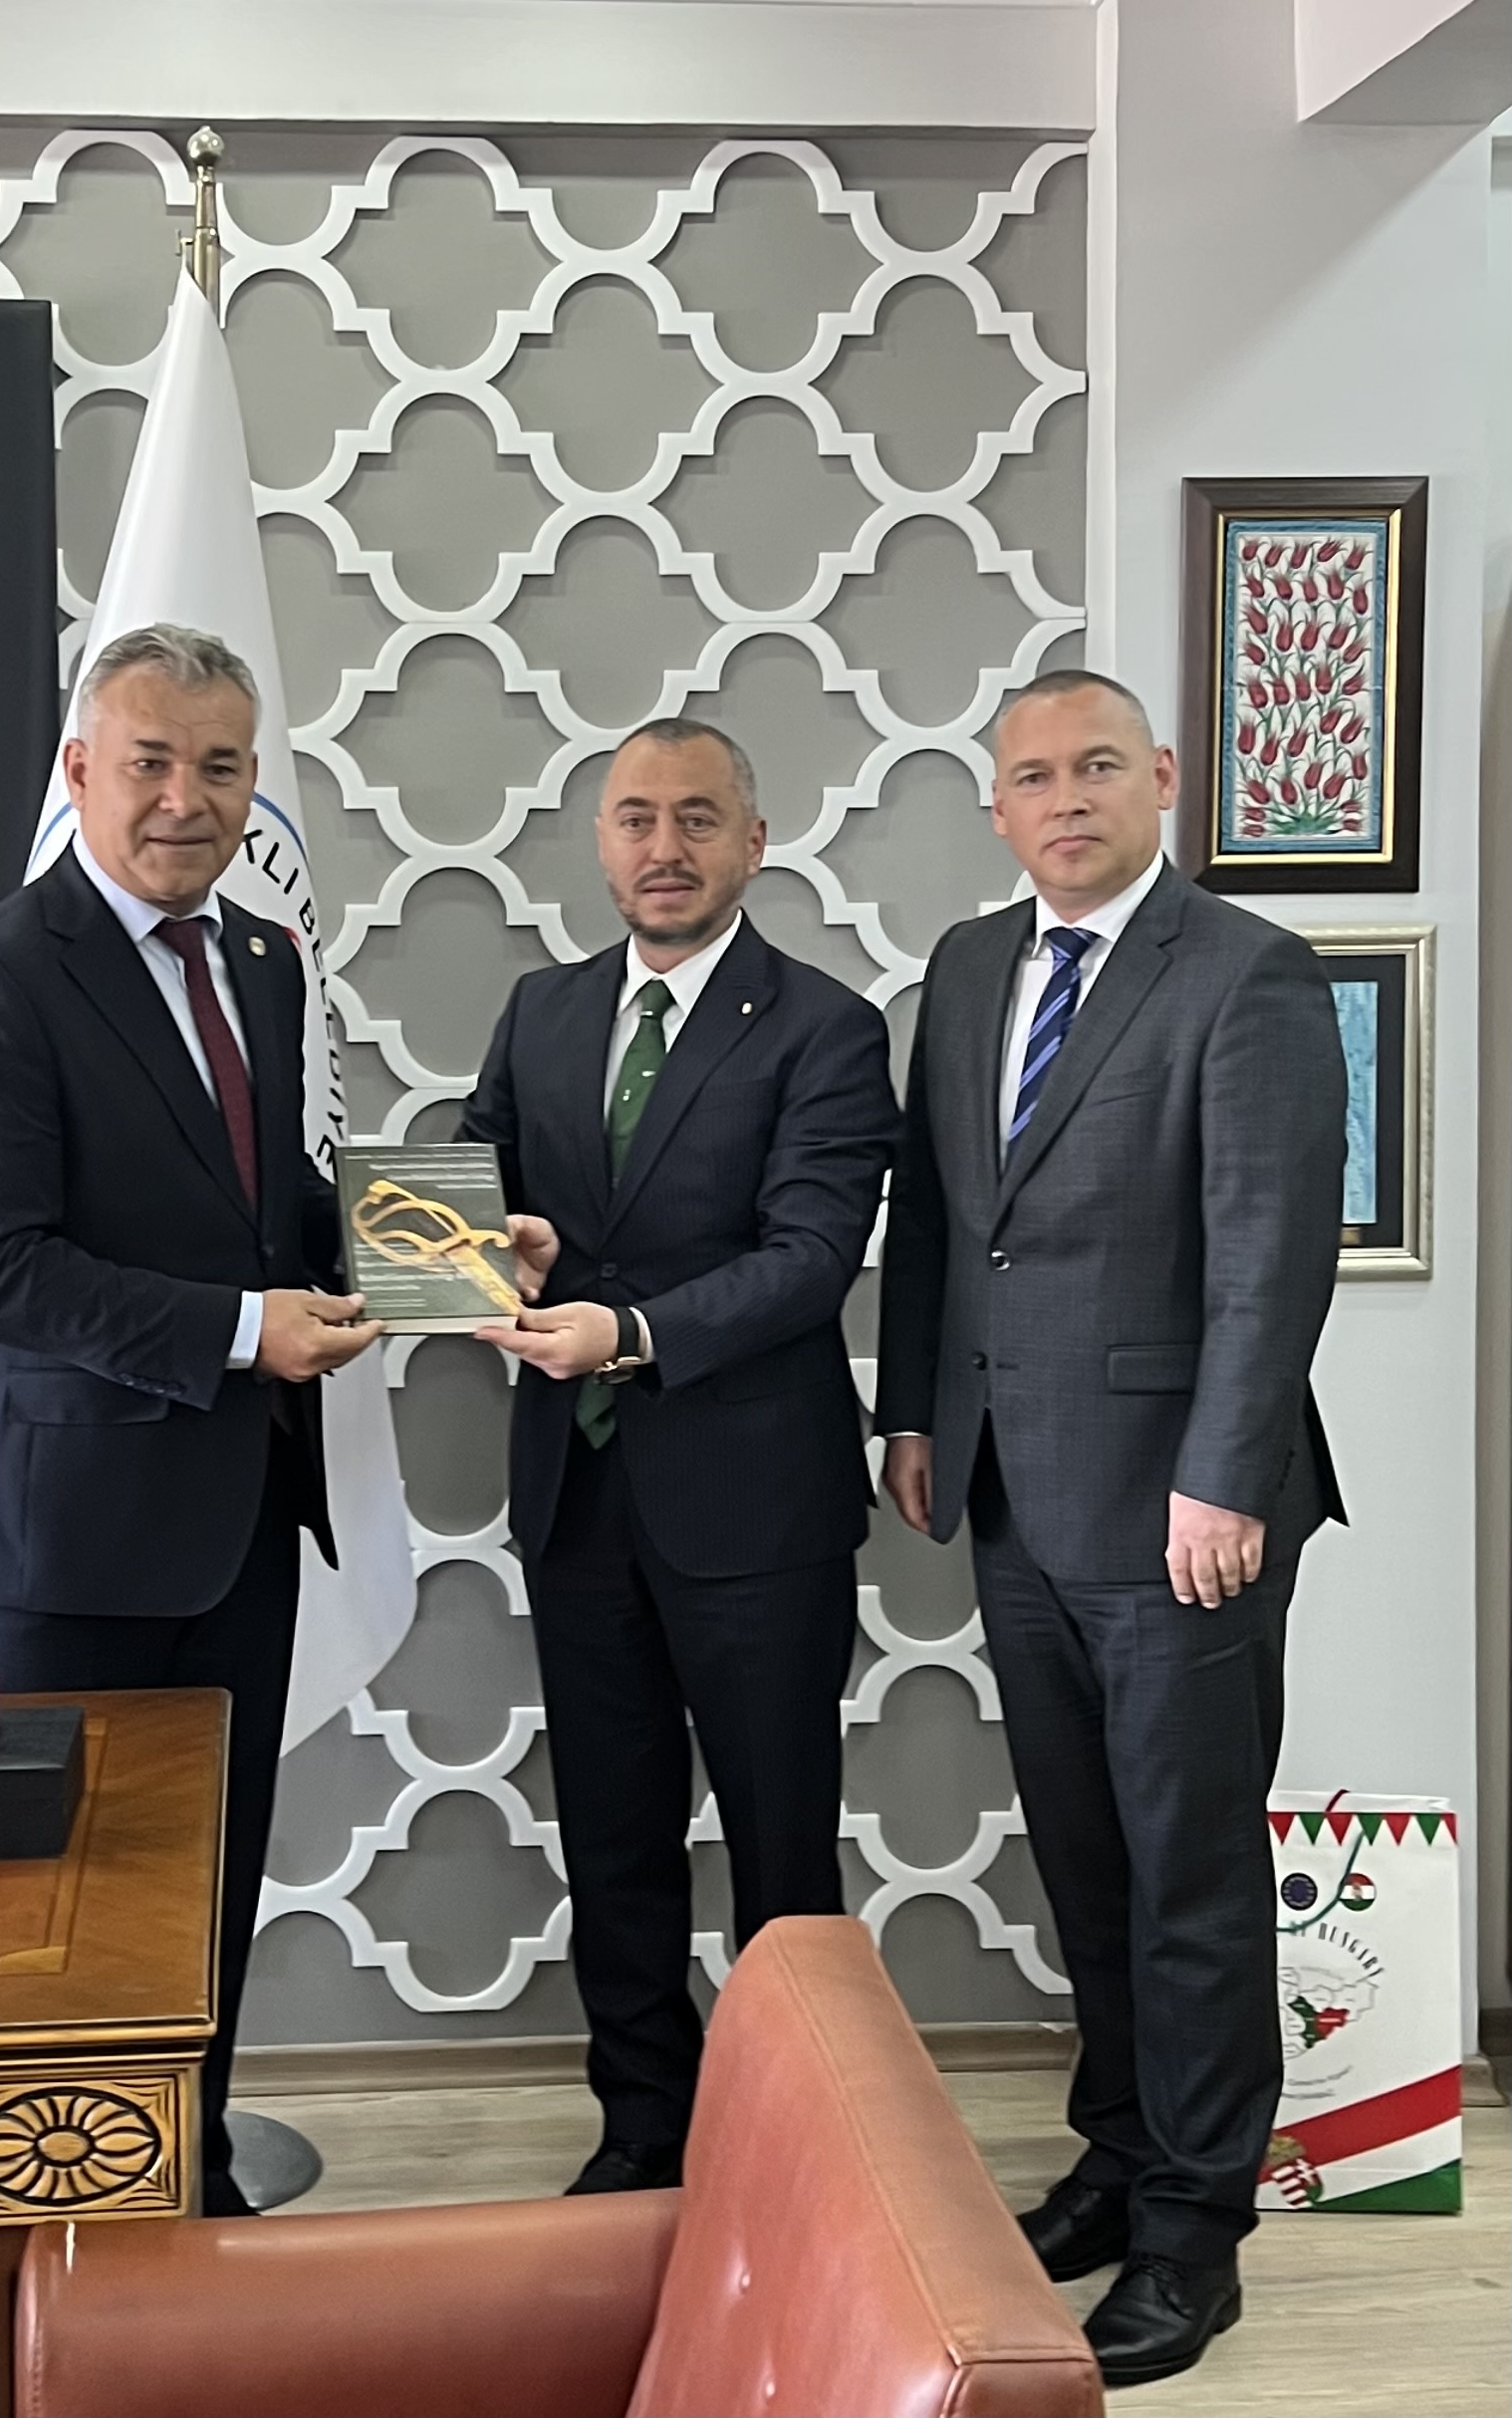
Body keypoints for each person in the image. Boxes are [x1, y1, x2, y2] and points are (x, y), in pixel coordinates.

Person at [877, 668, 1347, 2389]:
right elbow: (939, 1216)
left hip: (1177, 1512)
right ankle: (1121, 2146)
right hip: (1011, 1488)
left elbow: (1268, 1249)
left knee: (1189, 1878)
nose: (1061, 797)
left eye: (1092, 767)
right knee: (1086, 1857)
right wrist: (912, 1411)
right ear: (993, 805)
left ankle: (1192, 2230)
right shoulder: (965, 967)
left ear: (1157, 777)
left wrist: (1220, 1473)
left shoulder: (1244, 971)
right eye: (1028, 775)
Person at [0, 622, 378, 2217]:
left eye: (221, 766)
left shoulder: (263, 958)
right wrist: (247, 1330)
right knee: (45, 1912)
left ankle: (187, 2171)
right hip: (55, 1542)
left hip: (236, 1515)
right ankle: (48, 2220)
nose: (187, 799)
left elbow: (259, 1205)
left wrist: (431, 1253)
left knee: (204, 1892)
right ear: (79, 768)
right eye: (152, 762)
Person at [461, 716, 896, 2195]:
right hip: (576, 1499)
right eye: (636, 817)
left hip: (754, 1511)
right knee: (614, 1843)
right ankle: (643, 2131)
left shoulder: (825, 1028)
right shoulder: (539, 1011)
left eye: (698, 818)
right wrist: (496, 1255)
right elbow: (470, 1189)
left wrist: (629, 1330)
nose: (664, 847)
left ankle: (802, 2147)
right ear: (598, 840)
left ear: (752, 842)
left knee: (780, 1851)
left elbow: (808, 1257)